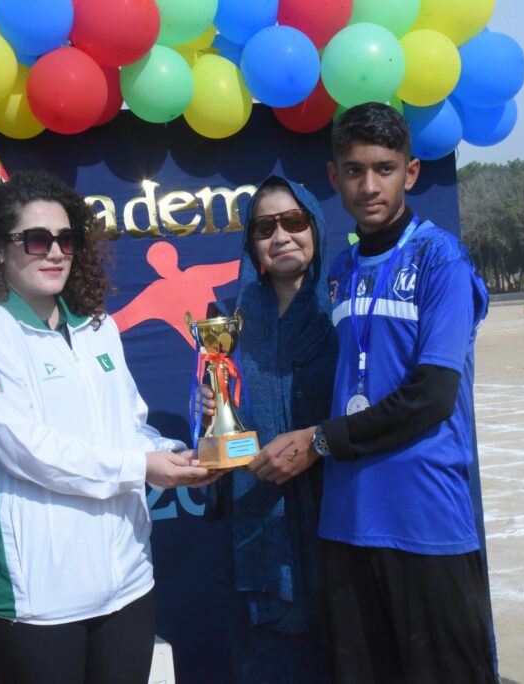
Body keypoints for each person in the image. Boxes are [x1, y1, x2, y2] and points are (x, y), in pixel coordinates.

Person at [252, 103, 495, 683]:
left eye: (384, 169)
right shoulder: (338, 270)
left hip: (425, 521)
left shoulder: (441, 259)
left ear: (410, 172)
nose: (369, 186)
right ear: (333, 177)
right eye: (354, 170)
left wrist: (320, 440)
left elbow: (432, 396)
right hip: (346, 522)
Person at [0, 171, 214, 684]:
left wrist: (176, 456)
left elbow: (129, 427)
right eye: (36, 239)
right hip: (35, 596)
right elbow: (28, 450)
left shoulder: (96, 327)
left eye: (66, 239)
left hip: (127, 579)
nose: (55, 252)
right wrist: (140, 466)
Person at [203, 175, 337, 682]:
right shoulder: (229, 318)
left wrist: (318, 443)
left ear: (315, 226)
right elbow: (219, 428)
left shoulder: (344, 307)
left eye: (294, 221)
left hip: (335, 514)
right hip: (258, 519)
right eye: (265, 228)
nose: (281, 236)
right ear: (251, 242)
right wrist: (210, 409)